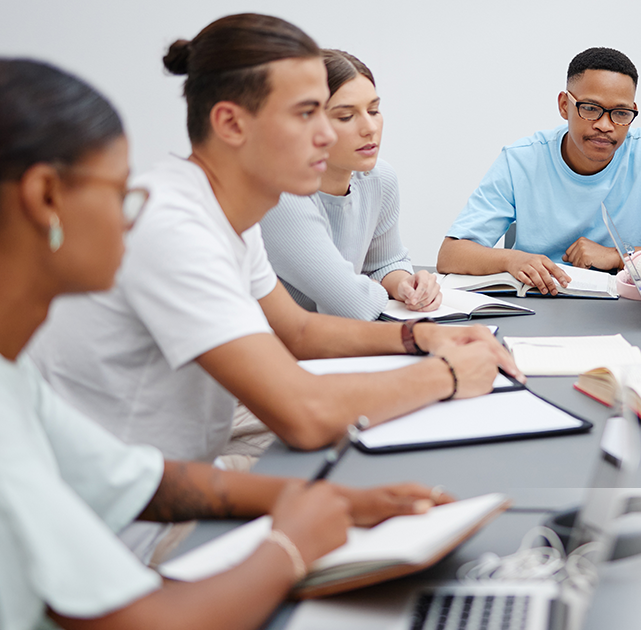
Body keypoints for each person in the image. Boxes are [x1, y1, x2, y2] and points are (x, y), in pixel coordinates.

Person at [0, 56, 454, 630]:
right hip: (141, 564)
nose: (334, 133)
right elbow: (154, 623)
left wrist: (325, 501)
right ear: (45, 198)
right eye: (120, 193)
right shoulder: (171, 223)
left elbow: (143, 478)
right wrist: (291, 544)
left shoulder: (11, 381)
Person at [28, 16, 519, 472]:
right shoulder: (175, 227)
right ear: (231, 124)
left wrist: (422, 337)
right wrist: (449, 375)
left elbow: (300, 331)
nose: (331, 135)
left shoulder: (228, 215)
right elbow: (303, 414)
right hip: (140, 516)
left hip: (192, 458)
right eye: (310, 114)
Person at [436, 47, 641, 296]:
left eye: (621, 113)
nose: (605, 125)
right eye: (590, 108)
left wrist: (619, 256)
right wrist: (510, 259)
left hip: (627, 305)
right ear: (565, 105)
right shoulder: (521, 161)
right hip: (541, 303)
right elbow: (451, 255)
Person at [260, 49, 441, 321]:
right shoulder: (281, 194)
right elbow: (351, 306)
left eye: (374, 110)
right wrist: (370, 289)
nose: (370, 128)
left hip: (333, 343)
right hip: (273, 350)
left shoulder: (380, 178)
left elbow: (385, 261)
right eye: (346, 116)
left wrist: (405, 284)